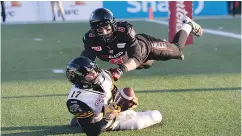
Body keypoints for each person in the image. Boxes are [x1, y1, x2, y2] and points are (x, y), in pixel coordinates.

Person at [80, 8, 203, 81]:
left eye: (107, 28)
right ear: (93, 30)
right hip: (136, 62)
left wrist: (120, 70)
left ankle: (188, 25)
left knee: (178, 51)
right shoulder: (90, 40)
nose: (105, 32)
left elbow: (136, 57)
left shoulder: (124, 31)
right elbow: (86, 63)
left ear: (113, 24)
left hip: (145, 47)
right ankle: (163, 44)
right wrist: (86, 73)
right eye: (100, 30)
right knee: (146, 64)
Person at [66, 56, 162, 136]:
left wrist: (124, 101)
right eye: (89, 73)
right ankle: (85, 118)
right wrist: (107, 119)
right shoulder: (76, 101)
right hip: (104, 121)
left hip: (110, 108)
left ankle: (82, 118)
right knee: (156, 115)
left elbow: (113, 92)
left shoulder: (103, 75)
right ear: (79, 78)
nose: (95, 73)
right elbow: (91, 132)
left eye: (94, 69)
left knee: (129, 105)